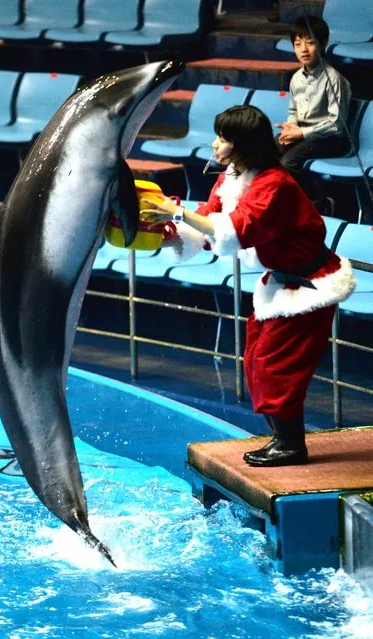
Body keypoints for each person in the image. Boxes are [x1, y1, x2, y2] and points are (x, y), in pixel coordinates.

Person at [143, 105, 356, 467]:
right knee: (256, 359)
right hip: (279, 283)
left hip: (310, 287)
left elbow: (235, 230)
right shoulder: (233, 176)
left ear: (244, 145)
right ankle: (281, 438)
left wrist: (175, 211)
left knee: (277, 365)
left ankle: (290, 445)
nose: (214, 145)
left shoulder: (275, 183)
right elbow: (208, 221)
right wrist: (156, 235)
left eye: (224, 139)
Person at [275, 16, 352, 216]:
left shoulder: (334, 79)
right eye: (298, 44)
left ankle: (318, 203)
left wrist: (301, 132)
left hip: (331, 139)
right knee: (266, 152)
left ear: (323, 44)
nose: (304, 49)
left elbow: (337, 124)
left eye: (310, 43)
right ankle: (282, 203)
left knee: (288, 162)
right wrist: (290, 128)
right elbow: (293, 111)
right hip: (304, 134)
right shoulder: (296, 79)